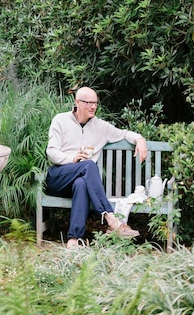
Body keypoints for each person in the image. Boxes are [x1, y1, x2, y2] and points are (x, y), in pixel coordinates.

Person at [46, 86, 148, 249]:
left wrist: (140, 140)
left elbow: (125, 134)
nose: (93, 106)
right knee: (88, 165)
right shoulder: (60, 120)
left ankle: (74, 240)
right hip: (59, 176)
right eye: (88, 103)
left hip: (79, 180)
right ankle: (112, 220)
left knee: (82, 183)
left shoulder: (101, 127)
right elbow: (51, 152)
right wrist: (72, 158)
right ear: (77, 102)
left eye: (95, 103)